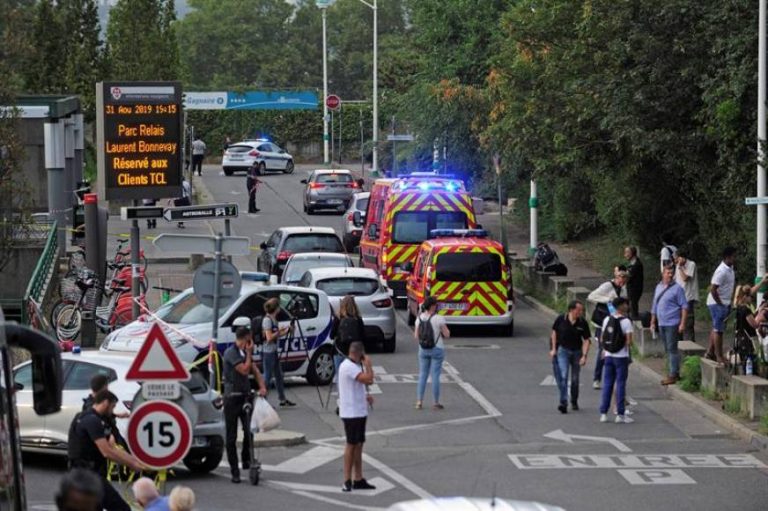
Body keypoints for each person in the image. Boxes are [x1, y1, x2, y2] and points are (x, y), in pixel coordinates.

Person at [67, 390, 145, 511]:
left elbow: (112, 447)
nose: (112, 410)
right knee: (121, 508)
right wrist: (133, 464)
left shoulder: (100, 420)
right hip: (86, 475)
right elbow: (107, 452)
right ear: (105, 403)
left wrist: (134, 460)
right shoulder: (91, 420)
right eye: (113, 406)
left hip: (90, 474)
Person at [222, 326, 267, 484]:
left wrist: (262, 386)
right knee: (231, 436)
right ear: (245, 339)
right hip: (232, 397)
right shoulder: (231, 353)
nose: (252, 343)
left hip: (245, 396)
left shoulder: (244, 353)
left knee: (249, 430)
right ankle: (235, 471)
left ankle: (247, 460)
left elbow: (254, 369)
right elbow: (244, 370)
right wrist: (249, 353)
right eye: (250, 340)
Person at [338, 341, 376, 492]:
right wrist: (368, 365)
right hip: (351, 412)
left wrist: (365, 397)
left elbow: (357, 385)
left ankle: (358, 478)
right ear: (359, 354)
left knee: (359, 444)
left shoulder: (353, 366)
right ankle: (347, 479)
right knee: (351, 444)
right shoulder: (348, 367)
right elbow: (369, 379)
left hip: (359, 410)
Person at [587, 270, 628, 389]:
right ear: (616, 277)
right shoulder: (607, 286)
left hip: (615, 323)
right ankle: (597, 378)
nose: (622, 280)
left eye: (625, 278)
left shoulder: (623, 289)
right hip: (602, 322)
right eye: (621, 277)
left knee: (615, 348)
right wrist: (608, 299)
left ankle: (612, 377)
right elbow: (592, 296)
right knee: (602, 349)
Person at [549, 300, 591, 413]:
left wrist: (584, 356)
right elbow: (554, 333)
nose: (580, 312)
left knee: (575, 379)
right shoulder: (561, 319)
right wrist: (553, 349)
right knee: (563, 376)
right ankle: (563, 402)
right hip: (563, 351)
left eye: (581, 310)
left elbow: (587, 340)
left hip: (577, 352)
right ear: (571, 310)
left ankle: (574, 400)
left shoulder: (582, 322)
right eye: (578, 310)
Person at [650, 266, 689, 385]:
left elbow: (684, 307)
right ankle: (673, 371)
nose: (670, 275)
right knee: (667, 348)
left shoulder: (678, 289)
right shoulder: (658, 287)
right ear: (663, 274)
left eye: (672, 273)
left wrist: (682, 323)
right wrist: (652, 320)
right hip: (661, 323)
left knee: (672, 349)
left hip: (672, 323)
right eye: (668, 273)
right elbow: (655, 305)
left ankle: (673, 374)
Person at [598, 298, 634, 424]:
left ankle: (603, 413)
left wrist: (606, 349)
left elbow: (602, 338)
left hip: (608, 356)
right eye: (625, 304)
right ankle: (620, 413)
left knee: (607, 384)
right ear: (621, 306)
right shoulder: (626, 322)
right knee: (620, 384)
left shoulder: (607, 319)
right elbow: (629, 342)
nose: (627, 306)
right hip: (621, 357)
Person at [414, 296, 451, 410]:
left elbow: (416, 336)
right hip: (437, 349)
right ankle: (436, 402)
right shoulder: (439, 318)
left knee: (423, 375)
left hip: (423, 349)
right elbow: (447, 334)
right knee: (435, 376)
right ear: (433, 306)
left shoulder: (419, 318)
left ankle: (419, 401)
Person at [261, 298, 296, 408]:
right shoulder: (267, 320)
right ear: (276, 308)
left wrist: (286, 331)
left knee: (279, 375)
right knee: (267, 376)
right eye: (279, 306)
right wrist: (279, 332)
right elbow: (269, 337)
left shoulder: (273, 319)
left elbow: (275, 335)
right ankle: (263, 400)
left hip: (273, 351)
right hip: (268, 352)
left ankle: (282, 399)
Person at [705, 247, 737, 364]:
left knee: (716, 328)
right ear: (727, 257)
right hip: (717, 303)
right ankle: (718, 356)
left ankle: (710, 352)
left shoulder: (730, 268)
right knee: (719, 330)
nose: (735, 258)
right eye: (733, 256)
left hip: (724, 302)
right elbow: (713, 289)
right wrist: (720, 304)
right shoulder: (721, 271)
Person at [335, 296, 365, 375]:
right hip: (354, 352)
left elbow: (332, 334)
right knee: (356, 375)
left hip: (340, 350)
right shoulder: (358, 319)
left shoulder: (338, 318)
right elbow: (363, 335)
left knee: (340, 375)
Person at [674, 249, 700, 341]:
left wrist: (680, 267)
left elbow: (685, 278)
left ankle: (690, 343)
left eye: (677, 258)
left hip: (688, 296)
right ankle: (680, 343)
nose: (675, 261)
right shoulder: (677, 266)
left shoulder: (691, 264)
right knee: (679, 321)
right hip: (679, 297)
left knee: (688, 322)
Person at [624, 246, 644, 318]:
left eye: (627, 252)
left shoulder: (636, 264)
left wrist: (622, 275)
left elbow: (628, 276)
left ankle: (635, 322)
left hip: (635, 290)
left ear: (632, 253)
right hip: (631, 289)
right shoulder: (632, 263)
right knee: (630, 306)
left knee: (633, 307)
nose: (625, 255)